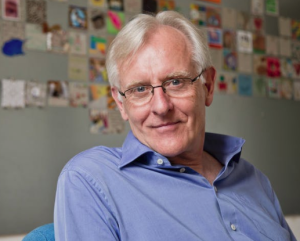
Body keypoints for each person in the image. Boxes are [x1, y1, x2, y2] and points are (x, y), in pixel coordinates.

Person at [54, 11, 296, 241]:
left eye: (176, 82)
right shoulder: (90, 180)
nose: (161, 106)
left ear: (208, 86)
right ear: (120, 102)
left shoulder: (254, 180)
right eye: (140, 89)